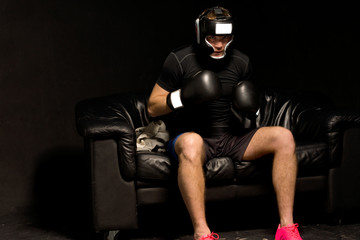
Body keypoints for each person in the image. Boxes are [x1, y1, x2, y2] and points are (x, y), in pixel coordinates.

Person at [147, 6, 303, 240]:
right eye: (212, 38)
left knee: (284, 137)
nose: (219, 45)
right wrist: (183, 96)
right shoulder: (180, 59)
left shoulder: (241, 61)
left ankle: (286, 228)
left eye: (225, 38)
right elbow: (152, 107)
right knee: (190, 142)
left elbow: (250, 110)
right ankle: (202, 233)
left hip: (232, 137)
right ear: (201, 34)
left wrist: (251, 107)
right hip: (194, 138)